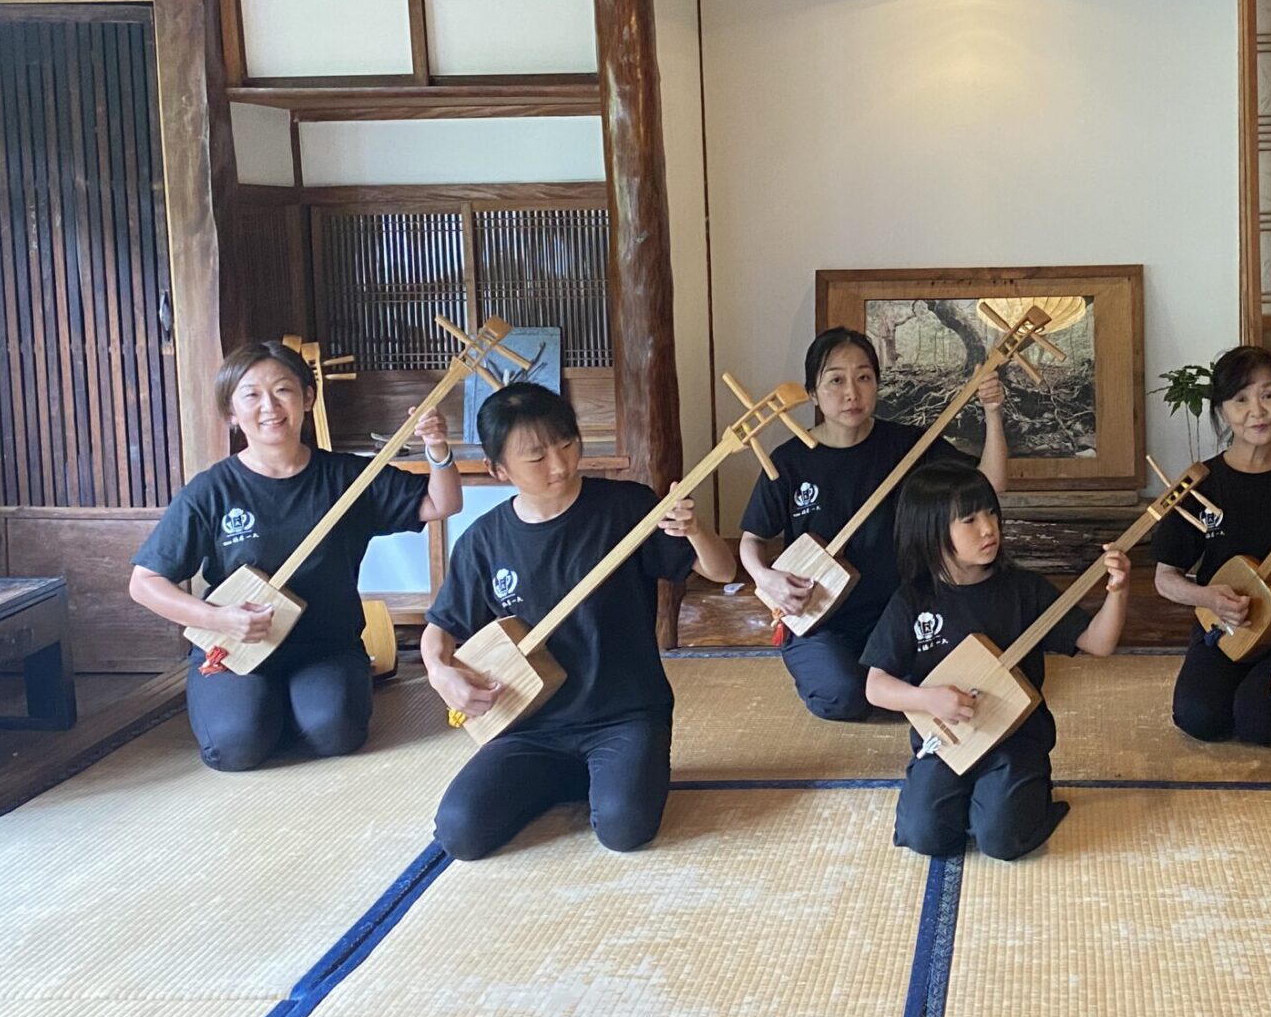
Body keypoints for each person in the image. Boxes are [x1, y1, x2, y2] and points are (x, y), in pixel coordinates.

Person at [422, 383, 736, 858]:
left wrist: (695, 530)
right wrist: (439, 672)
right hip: (531, 726)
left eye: (567, 444)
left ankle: (612, 773)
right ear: (498, 469)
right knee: (459, 832)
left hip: (624, 715)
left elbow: (722, 571)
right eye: (536, 456)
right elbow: (441, 628)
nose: (560, 464)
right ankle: (573, 776)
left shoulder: (627, 507)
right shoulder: (484, 541)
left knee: (624, 829)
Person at [130, 340, 460, 771]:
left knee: (336, 732)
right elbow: (145, 583)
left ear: (307, 397)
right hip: (238, 646)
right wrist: (218, 618)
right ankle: (263, 709)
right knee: (235, 747)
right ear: (231, 413)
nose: (269, 406)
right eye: (251, 395)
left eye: (282, 390)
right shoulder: (212, 491)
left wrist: (437, 448)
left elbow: (441, 503)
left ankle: (297, 706)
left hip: (326, 646)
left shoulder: (346, 477)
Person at [861, 463, 1128, 861]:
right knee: (924, 835)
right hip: (947, 740)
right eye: (969, 520)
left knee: (1002, 840)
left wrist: (1118, 591)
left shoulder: (1024, 589)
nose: (988, 528)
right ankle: (971, 802)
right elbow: (875, 686)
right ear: (931, 530)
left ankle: (1028, 800)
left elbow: (1098, 643)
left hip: (1015, 740)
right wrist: (927, 699)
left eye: (991, 513)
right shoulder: (913, 601)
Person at [741, 328, 1007, 722]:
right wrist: (766, 578)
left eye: (864, 377)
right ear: (813, 393)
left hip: (899, 612)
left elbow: (990, 485)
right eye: (836, 380)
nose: (852, 392)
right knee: (841, 694)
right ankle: (889, 691)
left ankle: (897, 690)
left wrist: (993, 412)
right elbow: (752, 539)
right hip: (822, 616)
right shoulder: (789, 461)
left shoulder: (910, 446)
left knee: (965, 680)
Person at [1152, 346, 1271, 745]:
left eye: (1268, 395)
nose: (1257, 411)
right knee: (1199, 717)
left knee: (1261, 724)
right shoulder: (1202, 484)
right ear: (1221, 411)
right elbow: (1165, 577)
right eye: (1240, 399)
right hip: (1228, 626)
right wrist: (1208, 597)